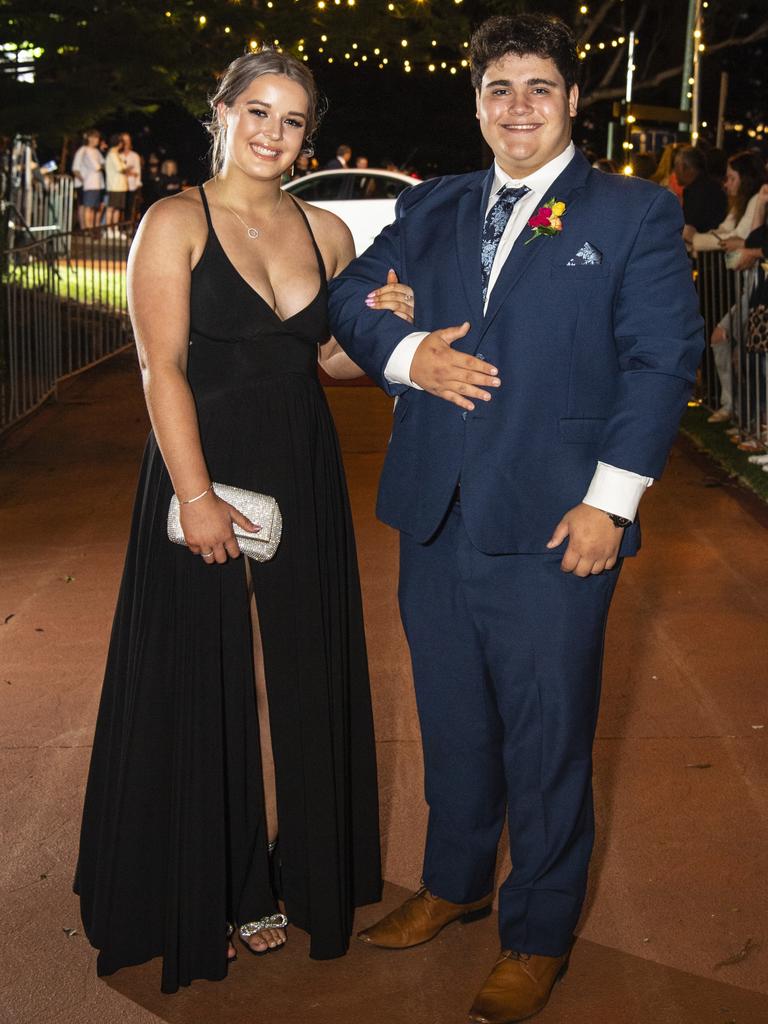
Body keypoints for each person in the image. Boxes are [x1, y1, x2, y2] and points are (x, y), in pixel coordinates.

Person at [328, 13, 703, 1023]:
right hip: (435, 512)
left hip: (556, 524)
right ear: (478, 103)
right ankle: (454, 884)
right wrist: (411, 358)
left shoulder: (631, 213)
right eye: (500, 88)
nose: (519, 106)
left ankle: (535, 933)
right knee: (453, 719)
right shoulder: (439, 204)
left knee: (547, 740)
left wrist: (609, 505)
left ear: (574, 100)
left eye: (539, 86)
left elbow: (662, 362)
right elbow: (355, 293)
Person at [74, 48, 412, 994]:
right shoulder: (173, 221)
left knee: (311, 663)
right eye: (256, 111)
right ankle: (203, 889)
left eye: (292, 119)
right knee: (200, 675)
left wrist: (383, 323)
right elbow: (161, 367)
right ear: (219, 113)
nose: (272, 132)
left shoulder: (328, 231)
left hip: (301, 468)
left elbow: (331, 362)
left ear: (310, 133)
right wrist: (193, 494)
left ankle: (305, 875)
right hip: (201, 466)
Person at [687, 151, 767, 423]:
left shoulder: (756, 199)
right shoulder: (742, 204)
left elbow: (742, 242)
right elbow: (726, 235)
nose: (726, 184)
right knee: (733, 346)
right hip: (749, 289)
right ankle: (739, 411)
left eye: (732, 178)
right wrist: (716, 242)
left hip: (756, 289)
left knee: (744, 350)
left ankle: (747, 416)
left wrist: (702, 240)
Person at [675, 145, 727, 233]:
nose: (675, 171)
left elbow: (690, 228)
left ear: (686, 168)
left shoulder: (697, 193)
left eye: (676, 166)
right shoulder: (710, 187)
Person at [71, 129, 104, 229]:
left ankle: (87, 227)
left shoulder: (96, 151)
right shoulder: (83, 150)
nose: (96, 140)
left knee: (89, 206)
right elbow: (75, 169)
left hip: (94, 183)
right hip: (84, 183)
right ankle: (84, 227)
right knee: (84, 206)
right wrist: (83, 180)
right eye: (94, 137)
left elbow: (103, 164)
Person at [104, 133, 129, 232]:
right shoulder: (112, 154)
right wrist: (126, 167)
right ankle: (109, 229)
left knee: (117, 208)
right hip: (115, 185)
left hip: (119, 186)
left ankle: (115, 229)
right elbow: (120, 168)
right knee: (111, 208)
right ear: (119, 143)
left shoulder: (116, 154)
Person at [121, 132, 142, 223]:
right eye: (124, 140)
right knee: (120, 209)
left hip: (132, 186)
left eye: (128, 140)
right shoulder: (117, 155)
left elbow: (137, 172)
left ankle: (129, 228)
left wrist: (125, 172)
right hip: (120, 186)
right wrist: (129, 171)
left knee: (131, 208)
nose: (126, 142)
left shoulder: (135, 155)